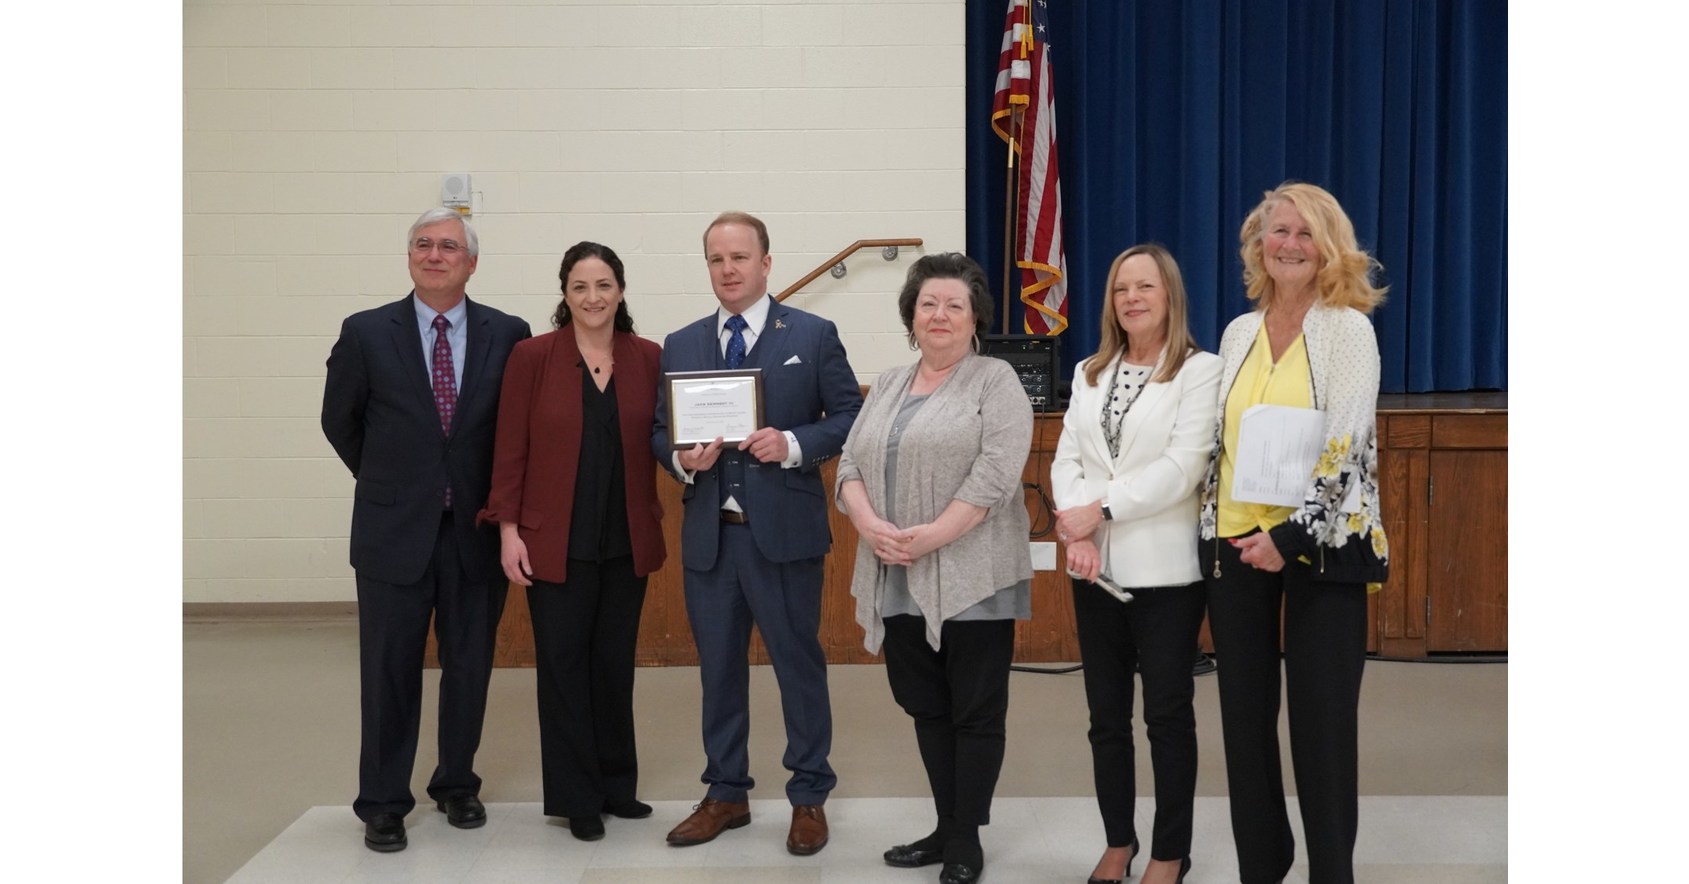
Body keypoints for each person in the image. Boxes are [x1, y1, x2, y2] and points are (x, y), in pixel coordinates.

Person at [651, 211, 862, 856]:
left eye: (740, 258)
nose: (728, 270)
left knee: (798, 665)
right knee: (718, 669)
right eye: (716, 259)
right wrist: (682, 460)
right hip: (712, 539)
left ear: (766, 263)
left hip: (784, 535)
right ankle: (725, 793)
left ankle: (808, 796)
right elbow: (660, 431)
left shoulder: (812, 332)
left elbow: (850, 413)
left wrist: (795, 442)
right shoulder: (681, 343)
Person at [321, 208, 532, 852]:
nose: (434, 254)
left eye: (448, 246)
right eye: (423, 245)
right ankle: (383, 802)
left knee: (469, 664)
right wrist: (395, 484)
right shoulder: (365, 332)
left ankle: (456, 784)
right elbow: (340, 421)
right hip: (393, 533)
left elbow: (512, 432)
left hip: (473, 529)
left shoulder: (509, 333)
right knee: (388, 672)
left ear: (471, 262)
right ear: (409, 257)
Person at [1199, 182, 1389, 884]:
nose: (1287, 244)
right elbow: (1219, 443)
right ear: (1258, 243)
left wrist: (1289, 537)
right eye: (1277, 231)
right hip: (1235, 545)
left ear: (1328, 246)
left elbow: (1344, 445)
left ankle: (1329, 871)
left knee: (1322, 725)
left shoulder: (1347, 329)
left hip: (1322, 550)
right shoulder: (1237, 332)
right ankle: (1262, 863)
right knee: (1245, 725)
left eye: (1304, 233)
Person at [835, 253, 1033, 884]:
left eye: (954, 304)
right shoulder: (889, 382)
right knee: (925, 705)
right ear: (911, 316)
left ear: (975, 318)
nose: (940, 315)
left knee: (975, 710)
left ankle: (967, 838)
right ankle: (945, 826)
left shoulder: (995, 380)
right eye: (928, 304)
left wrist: (930, 539)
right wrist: (869, 526)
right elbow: (848, 468)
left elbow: (998, 475)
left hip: (974, 575)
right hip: (895, 572)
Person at [477, 242, 666, 841]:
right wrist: (507, 530)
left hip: (625, 541)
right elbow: (510, 447)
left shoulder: (648, 358)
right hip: (551, 540)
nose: (593, 297)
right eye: (581, 286)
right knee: (562, 670)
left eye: (604, 285)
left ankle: (617, 786)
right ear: (564, 293)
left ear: (621, 292)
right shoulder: (532, 357)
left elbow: (669, 437)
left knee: (613, 668)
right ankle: (576, 797)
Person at [1051, 244, 1220, 884]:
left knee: (1167, 717)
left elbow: (1184, 467)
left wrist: (1101, 511)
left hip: (1167, 576)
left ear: (1169, 295)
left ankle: (1170, 852)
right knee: (1105, 720)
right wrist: (1078, 529)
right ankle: (1117, 843)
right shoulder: (1091, 370)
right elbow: (1066, 459)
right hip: (1094, 570)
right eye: (1121, 288)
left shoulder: (1200, 371)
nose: (1131, 299)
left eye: (1145, 287)